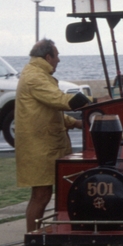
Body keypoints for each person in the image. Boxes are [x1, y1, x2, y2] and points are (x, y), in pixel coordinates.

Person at [16, 39, 90, 233]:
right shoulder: (35, 77)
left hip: (45, 145)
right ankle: (32, 239)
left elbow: (47, 110)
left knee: (46, 194)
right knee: (41, 195)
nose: (59, 61)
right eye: (57, 57)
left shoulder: (36, 74)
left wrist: (74, 123)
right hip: (39, 146)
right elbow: (60, 100)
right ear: (48, 57)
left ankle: (41, 235)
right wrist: (95, 102)